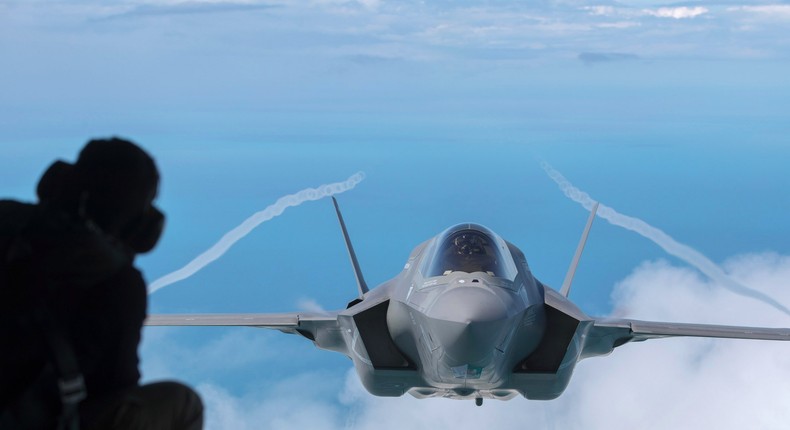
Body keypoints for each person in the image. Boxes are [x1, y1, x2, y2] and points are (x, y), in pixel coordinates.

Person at [0, 138, 203, 429]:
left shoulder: (6, 219)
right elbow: (117, 387)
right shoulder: (115, 280)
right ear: (138, 224)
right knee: (182, 402)